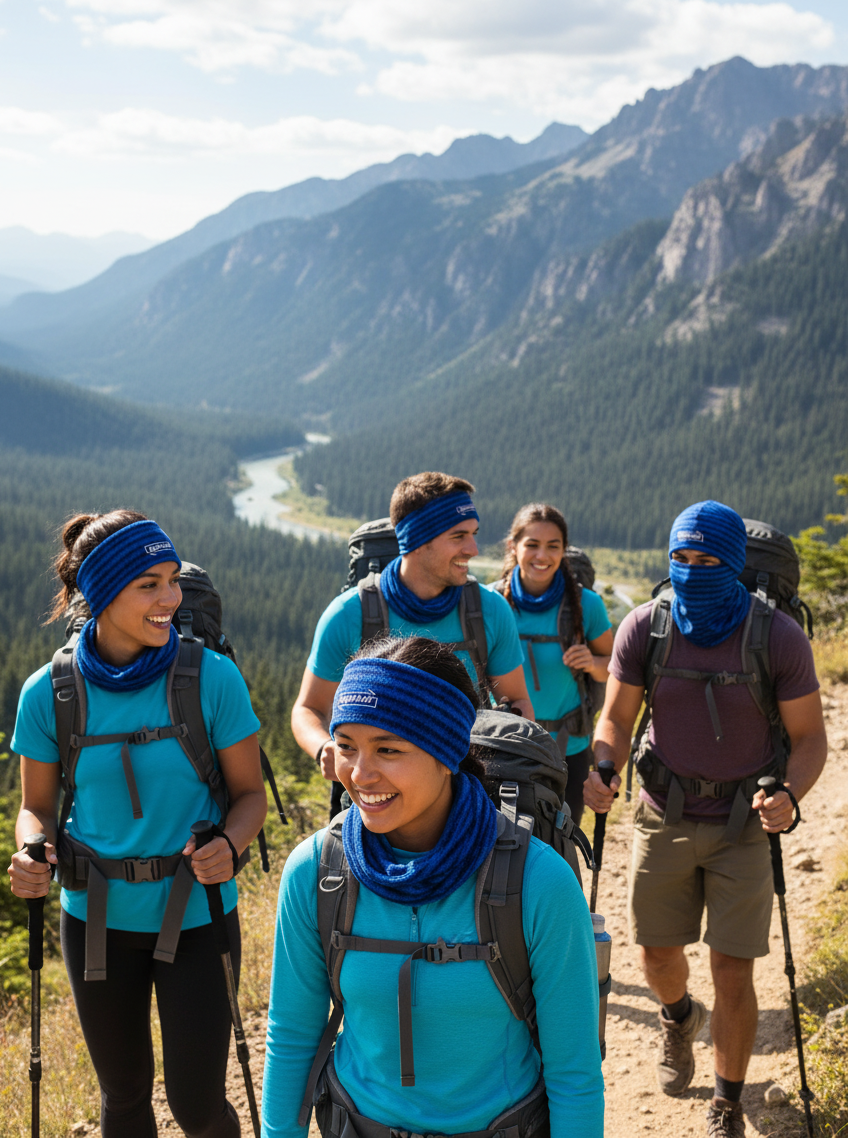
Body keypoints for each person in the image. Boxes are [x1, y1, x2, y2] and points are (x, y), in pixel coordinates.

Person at [264, 635, 604, 1138]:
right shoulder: (316, 872)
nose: (359, 774)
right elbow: (292, 1037)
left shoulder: (539, 882)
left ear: (447, 752)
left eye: (388, 749)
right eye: (346, 745)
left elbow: (574, 1073)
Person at [8, 510, 268, 1138]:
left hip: (200, 916)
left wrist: (229, 845)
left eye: (173, 580)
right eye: (148, 584)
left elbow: (249, 795)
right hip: (94, 919)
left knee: (196, 1105)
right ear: (99, 594)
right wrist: (31, 849)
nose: (170, 599)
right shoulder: (50, 693)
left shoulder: (211, 678)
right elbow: (36, 807)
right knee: (123, 1096)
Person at [583, 500, 827, 1138]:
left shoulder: (778, 637)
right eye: (680, 559)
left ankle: (727, 1102)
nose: (691, 572)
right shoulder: (646, 627)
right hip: (663, 812)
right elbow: (613, 719)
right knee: (657, 954)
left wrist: (790, 797)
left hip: (747, 823)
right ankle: (676, 1017)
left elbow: (809, 739)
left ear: (736, 564)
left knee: (732, 967)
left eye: (708, 560)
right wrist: (604, 765)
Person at [292, 472, 533, 802]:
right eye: (459, 536)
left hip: (468, 791)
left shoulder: (490, 611)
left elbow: (517, 702)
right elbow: (308, 708)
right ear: (418, 540)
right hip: (371, 792)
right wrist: (325, 747)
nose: (473, 549)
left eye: (474, 534)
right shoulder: (349, 614)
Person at [497, 503, 613, 824]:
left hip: (568, 747)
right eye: (531, 544)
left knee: (561, 840)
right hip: (504, 744)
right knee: (502, 844)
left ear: (564, 550)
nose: (542, 556)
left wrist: (591, 662)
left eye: (553, 546)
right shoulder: (493, 604)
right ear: (513, 546)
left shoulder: (587, 606)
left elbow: (614, 667)